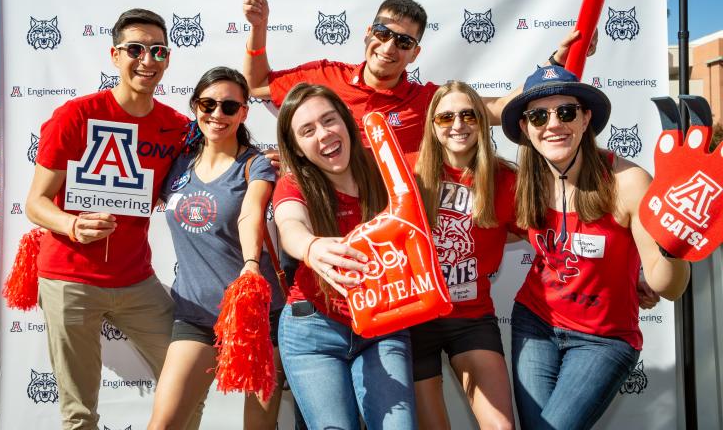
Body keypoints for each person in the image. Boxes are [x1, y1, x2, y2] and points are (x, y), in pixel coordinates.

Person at [25, 8, 203, 429]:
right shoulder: (77, 115)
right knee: (79, 414)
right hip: (69, 280)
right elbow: (36, 202)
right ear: (115, 55)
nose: (147, 60)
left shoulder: (176, 128)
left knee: (189, 384)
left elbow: (212, 171)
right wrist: (71, 224)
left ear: (168, 58)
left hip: (136, 280)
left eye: (158, 51)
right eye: (136, 49)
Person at [500, 65, 690, 430]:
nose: (553, 124)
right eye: (539, 115)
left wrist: (674, 236)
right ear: (526, 129)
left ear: (586, 119)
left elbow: (671, 287)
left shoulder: (628, 181)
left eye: (566, 112)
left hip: (603, 340)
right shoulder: (523, 184)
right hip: (534, 322)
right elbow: (493, 235)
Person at [147, 67, 286, 429]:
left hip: (256, 317)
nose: (217, 114)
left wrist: (251, 262)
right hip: (196, 316)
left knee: (258, 427)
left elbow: (251, 214)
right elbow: (131, 200)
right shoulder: (176, 165)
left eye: (229, 106)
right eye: (208, 104)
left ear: (243, 112)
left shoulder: (255, 164)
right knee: (163, 424)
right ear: (195, 107)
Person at [272, 83, 416, 430]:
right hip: (313, 332)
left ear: (347, 123)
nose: (323, 135)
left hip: (382, 324)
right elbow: (289, 223)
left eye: (329, 120)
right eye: (307, 131)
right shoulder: (294, 184)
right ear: (298, 149)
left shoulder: (384, 169)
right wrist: (310, 246)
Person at [241, 0, 532, 152]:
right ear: (368, 33)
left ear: (415, 53)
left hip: (393, 233)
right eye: (382, 33)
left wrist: (554, 64)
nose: (389, 47)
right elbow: (256, 85)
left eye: (404, 41)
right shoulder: (326, 76)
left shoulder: (428, 100)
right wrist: (259, 26)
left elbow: (502, 107)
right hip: (330, 223)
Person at [410, 81, 517, 429]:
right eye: (446, 117)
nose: (458, 124)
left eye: (468, 114)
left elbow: (558, 231)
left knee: (500, 426)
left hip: (471, 318)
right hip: (414, 319)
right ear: (432, 125)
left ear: (482, 122)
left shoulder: (505, 180)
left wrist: (633, 273)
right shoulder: (408, 172)